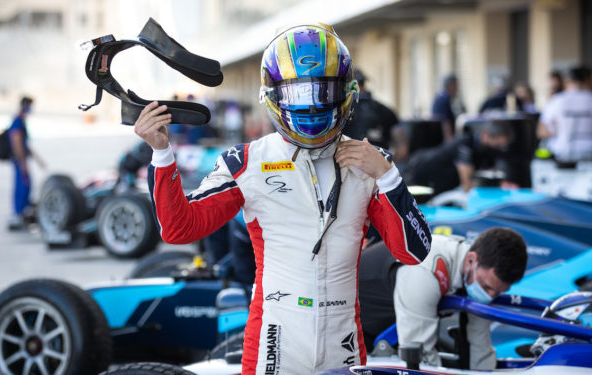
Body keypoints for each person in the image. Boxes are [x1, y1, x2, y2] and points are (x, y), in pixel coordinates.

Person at [134, 23, 431, 374]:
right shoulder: (246, 162)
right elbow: (178, 229)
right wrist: (161, 154)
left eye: (321, 91)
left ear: (346, 91)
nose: (309, 106)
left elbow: (414, 253)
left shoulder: (371, 163)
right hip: (275, 338)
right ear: (274, 95)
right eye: (297, 93)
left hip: (344, 340)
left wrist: (388, 177)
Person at [358, 228, 528, 369]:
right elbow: (419, 360)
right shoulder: (426, 267)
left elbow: (479, 344)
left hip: (391, 328)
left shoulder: (473, 270)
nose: (489, 296)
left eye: (497, 292)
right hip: (351, 329)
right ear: (471, 259)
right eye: (486, 287)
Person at [401, 121, 513, 193]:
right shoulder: (465, 145)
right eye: (497, 144)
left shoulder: (484, 150)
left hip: (438, 183)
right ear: (486, 135)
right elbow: (468, 187)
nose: (499, 149)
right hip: (416, 174)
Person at [537, 66, 592, 163]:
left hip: (563, 149)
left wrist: (558, 131)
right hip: (591, 149)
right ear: (587, 80)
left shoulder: (556, 100)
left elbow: (541, 131)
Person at [7, 96, 45, 230]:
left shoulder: (21, 120)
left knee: (26, 186)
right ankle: (18, 214)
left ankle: (22, 213)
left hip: (21, 159)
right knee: (22, 186)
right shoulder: (18, 121)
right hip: (19, 161)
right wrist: (22, 163)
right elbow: (17, 143)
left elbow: (25, 144)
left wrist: (38, 160)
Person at [342, 69, 399, 149]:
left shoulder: (341, 109)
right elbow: (402, 146)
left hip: (346, 157)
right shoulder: (384, 109)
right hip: (379, 158)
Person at [431, 74, 465, 143]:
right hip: (442, 139)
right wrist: (449, 141)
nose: (457, 89)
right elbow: (445, 122)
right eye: (456, 86)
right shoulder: (444, 99)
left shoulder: (443, 97)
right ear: (451, 86)